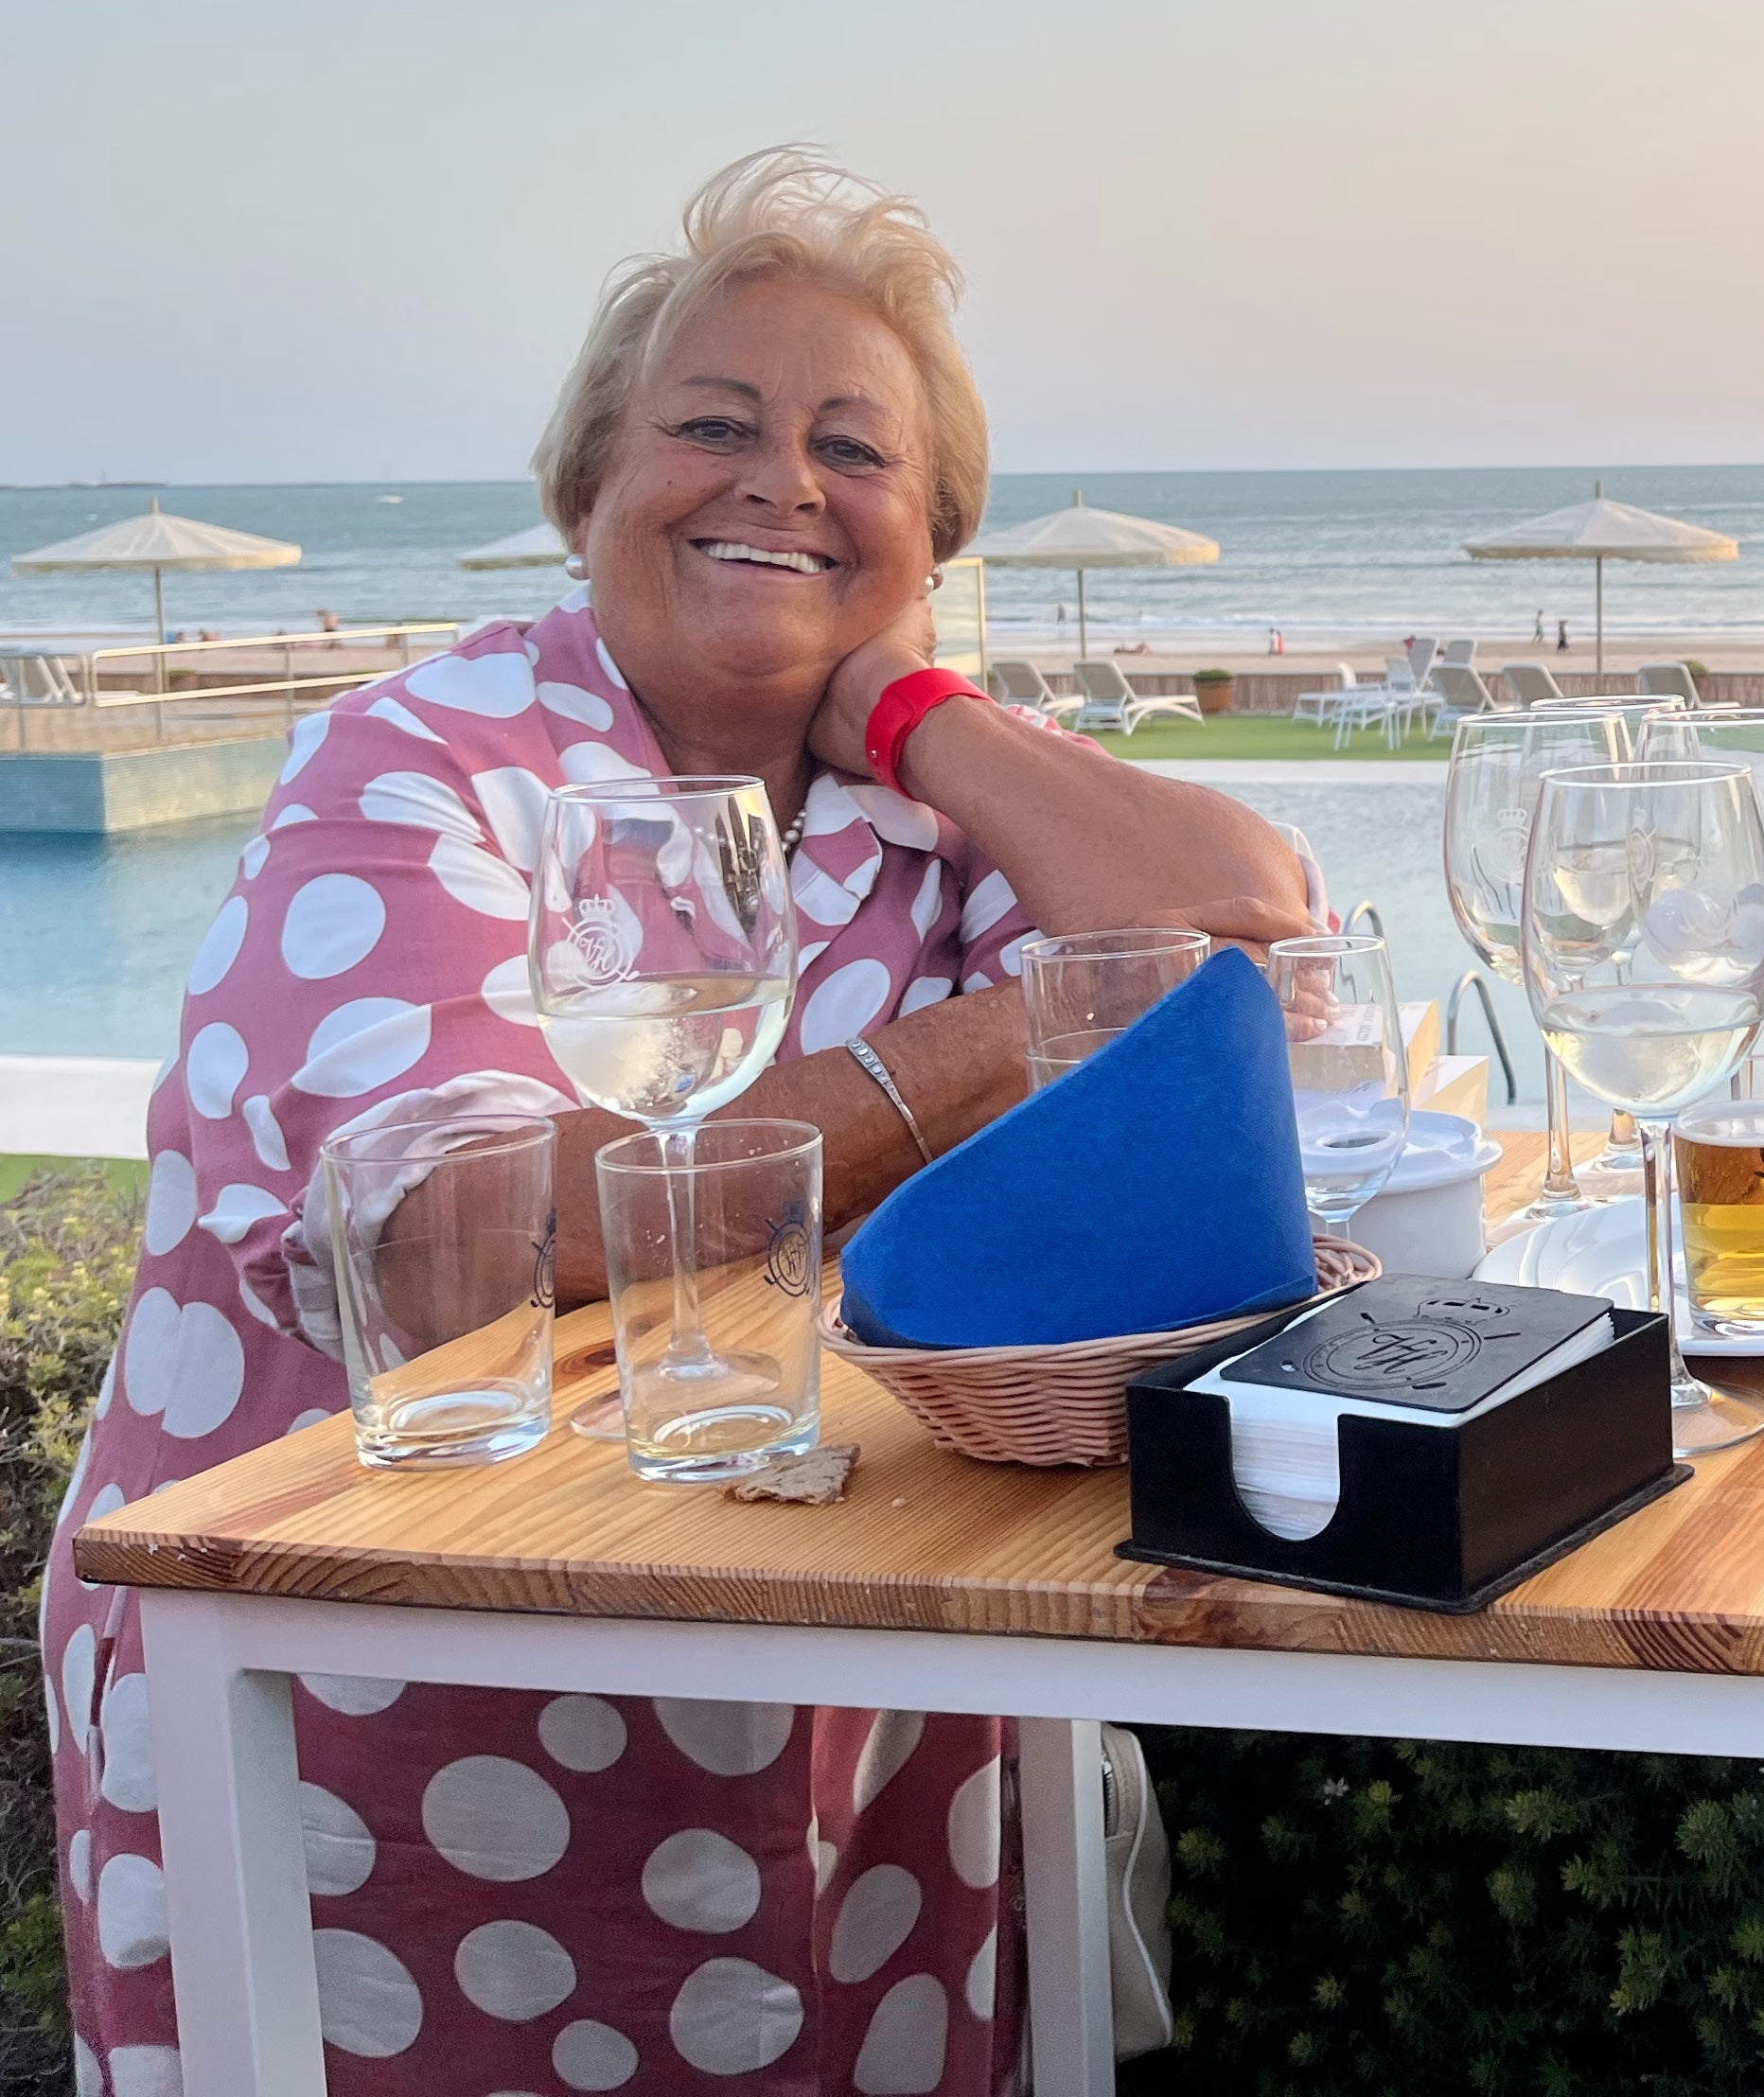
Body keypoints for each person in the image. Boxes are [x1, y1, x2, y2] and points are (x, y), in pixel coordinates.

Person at [47, 151, 1318, 2095]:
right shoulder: (426, 760)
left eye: (854, 455)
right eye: (711, 425)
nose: (778, 481)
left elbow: (1248, 913)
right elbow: (471, 1234)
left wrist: (916, 713)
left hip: (854, 1720)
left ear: (931, 534)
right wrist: (1000, 1046)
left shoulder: (919, 800)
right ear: (585, 489)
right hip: (389, 1714)